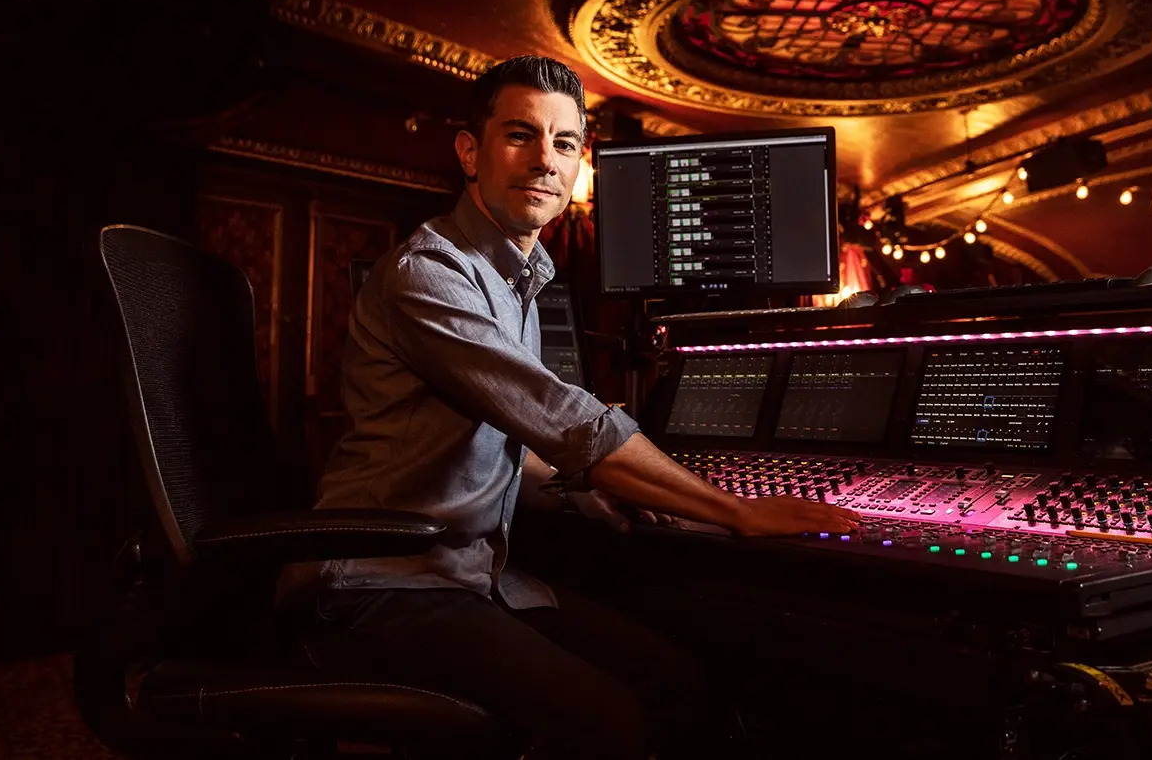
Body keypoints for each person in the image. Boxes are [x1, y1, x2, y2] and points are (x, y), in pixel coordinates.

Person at [279, 55, 860, 759]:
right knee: (611, 720)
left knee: (676, 679)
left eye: (563, 143)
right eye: (520, 135)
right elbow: (563, 419)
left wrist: (601, 490)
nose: (545, 161)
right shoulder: (429, 274)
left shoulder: (519, 278)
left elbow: (505, 448)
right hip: (381, 583)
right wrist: (736, 510)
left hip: (468, 574)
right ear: (470, 151)